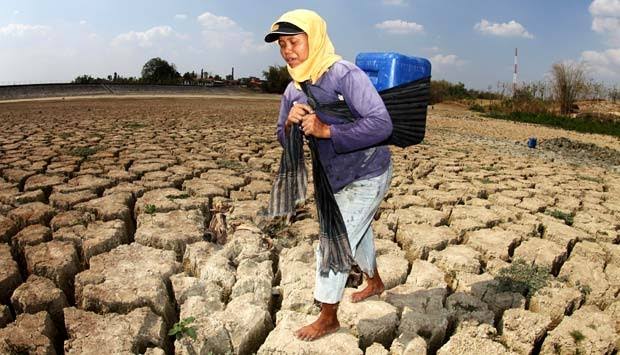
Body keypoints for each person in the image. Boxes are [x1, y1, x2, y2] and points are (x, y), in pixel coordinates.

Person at [265, 9, 393, 341]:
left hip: (368, 171)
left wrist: (327, 131)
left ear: (315, 37)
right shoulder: (294, 90)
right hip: (333, 177)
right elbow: (282, 134)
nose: (288, 50)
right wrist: (291, 124)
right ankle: (375, 281)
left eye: (294, 41)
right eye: (282, 45)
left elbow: (381, 124)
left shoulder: (344, 75)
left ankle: (328, 316)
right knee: (357, 232)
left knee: (334, 240)